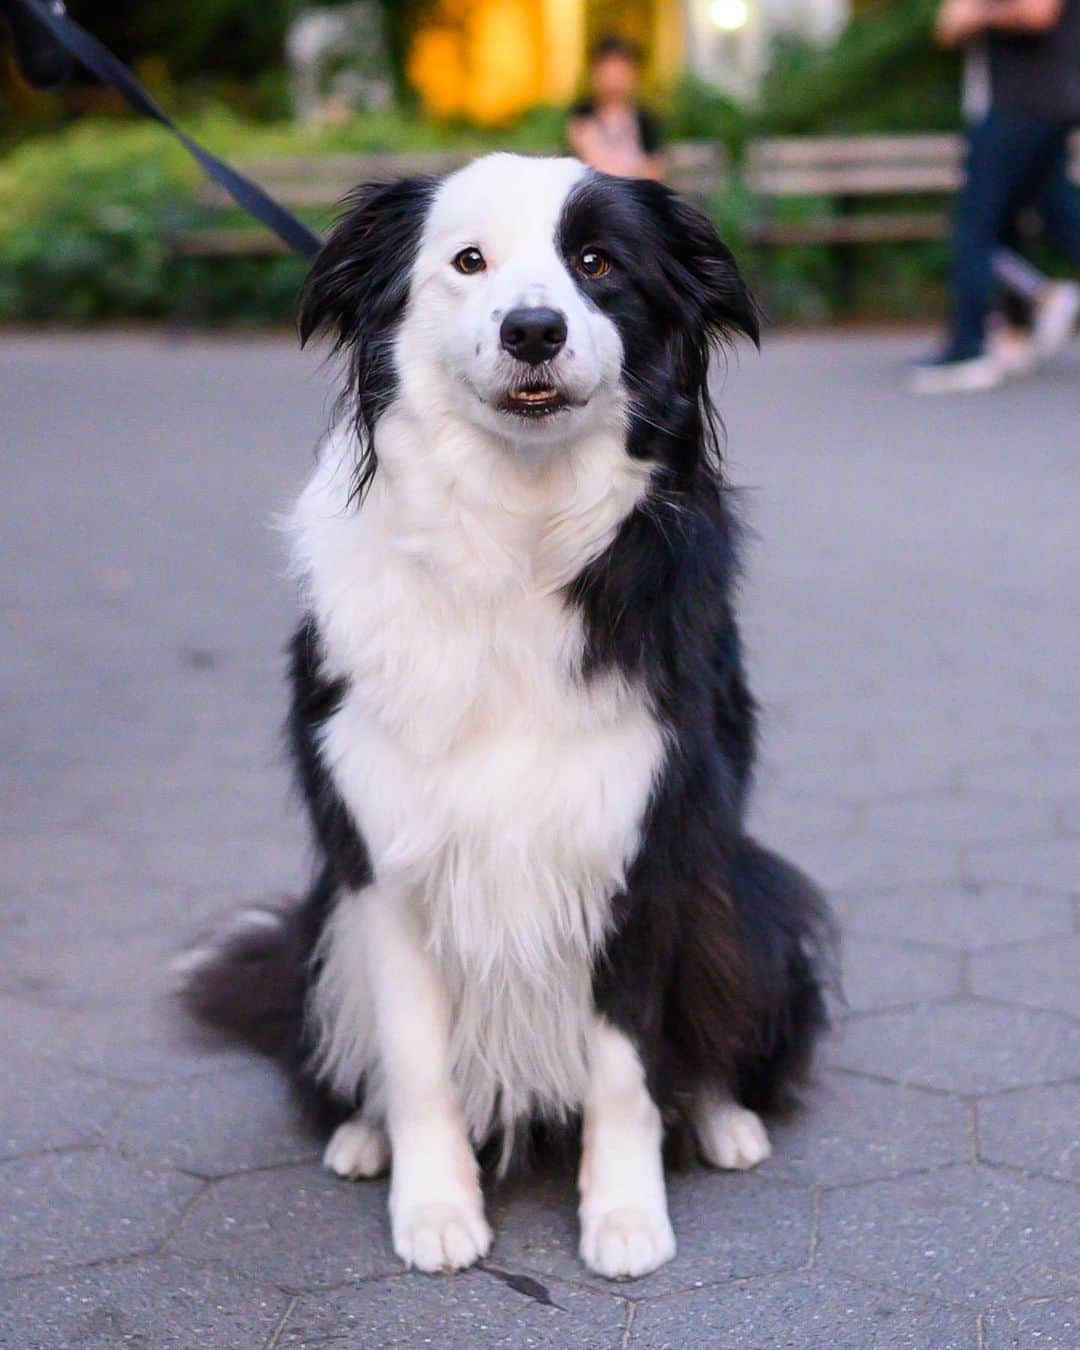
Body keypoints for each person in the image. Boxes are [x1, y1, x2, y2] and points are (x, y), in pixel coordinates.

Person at [911, 0, 1080, 393]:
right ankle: (1016, 330)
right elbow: (946, 28)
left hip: (1022, 108)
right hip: (1023, 106)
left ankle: (968, 348)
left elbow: (1037, 13)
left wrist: (978, 13)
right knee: (1057, 218)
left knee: (974, 224)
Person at [567, 35, 664, 181]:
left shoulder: (645, 120)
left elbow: (656, 172)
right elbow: (597, 166)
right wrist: (637, 170)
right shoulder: (583, 117)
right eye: (608, 70)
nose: (614, 78)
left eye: (621, 70)